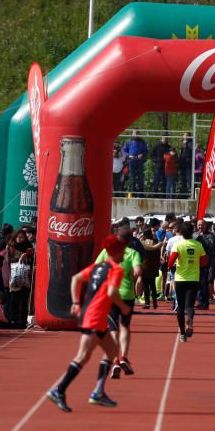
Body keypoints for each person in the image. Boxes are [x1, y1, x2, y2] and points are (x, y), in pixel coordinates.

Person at [46, 235, 130, 413]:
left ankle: (98, 392)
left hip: (92, 315)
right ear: (118, 251)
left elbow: (76, 278)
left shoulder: (98, 267)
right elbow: (112, 291)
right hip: (94, 317)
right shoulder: (115, 269)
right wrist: (123, 307)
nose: (125, 252)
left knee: (113, 351)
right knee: (83, 356)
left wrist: (76, 303)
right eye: (123, 249)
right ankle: (58, 390)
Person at [99, 226, 142, 377]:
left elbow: (96, 269)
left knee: (113, 329)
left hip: (110, 294)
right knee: (125, 327)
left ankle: (116, 361)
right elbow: (138, 271)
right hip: (127, 296)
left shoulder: (106, 252)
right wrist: (137, 276)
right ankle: (123, 357)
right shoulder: (133, 253)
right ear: (130, 241)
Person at [168, 222, 206, 340]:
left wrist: (175, 264)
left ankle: (182, 334)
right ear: (192, 232)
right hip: (193, 279)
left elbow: (170, 263)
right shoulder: (198, 245)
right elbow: (204, 262)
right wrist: (194, 262)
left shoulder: (178, 245)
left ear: (181, 232)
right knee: (190, 305)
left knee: (180, 307)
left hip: (180, 279)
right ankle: (189, 319)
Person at [122, 131, 147, 195]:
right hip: (131, 161)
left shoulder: (142, 141)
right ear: (132, 134)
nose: (135, 134)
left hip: (139, 161)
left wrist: (142, 154)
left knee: (141, 178)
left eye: (137, 133)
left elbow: (146, 151)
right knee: (132, 178)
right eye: (134, 133)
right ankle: (133, 193)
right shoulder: (128, 141)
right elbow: (124, 151)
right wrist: (129, 155)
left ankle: (141, 194)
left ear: (139, 134)